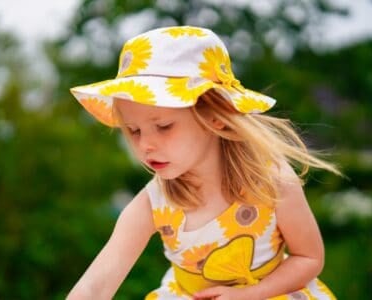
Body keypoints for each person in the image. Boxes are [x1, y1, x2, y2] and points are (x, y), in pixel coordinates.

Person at [67, 26, 340, 300]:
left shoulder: (272, 180)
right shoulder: (153, 204)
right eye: (134, 130)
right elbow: (95, 286)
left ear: (215, 117)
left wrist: (251, 294)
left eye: (163, 126)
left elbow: (309, 258)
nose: (145, 145)